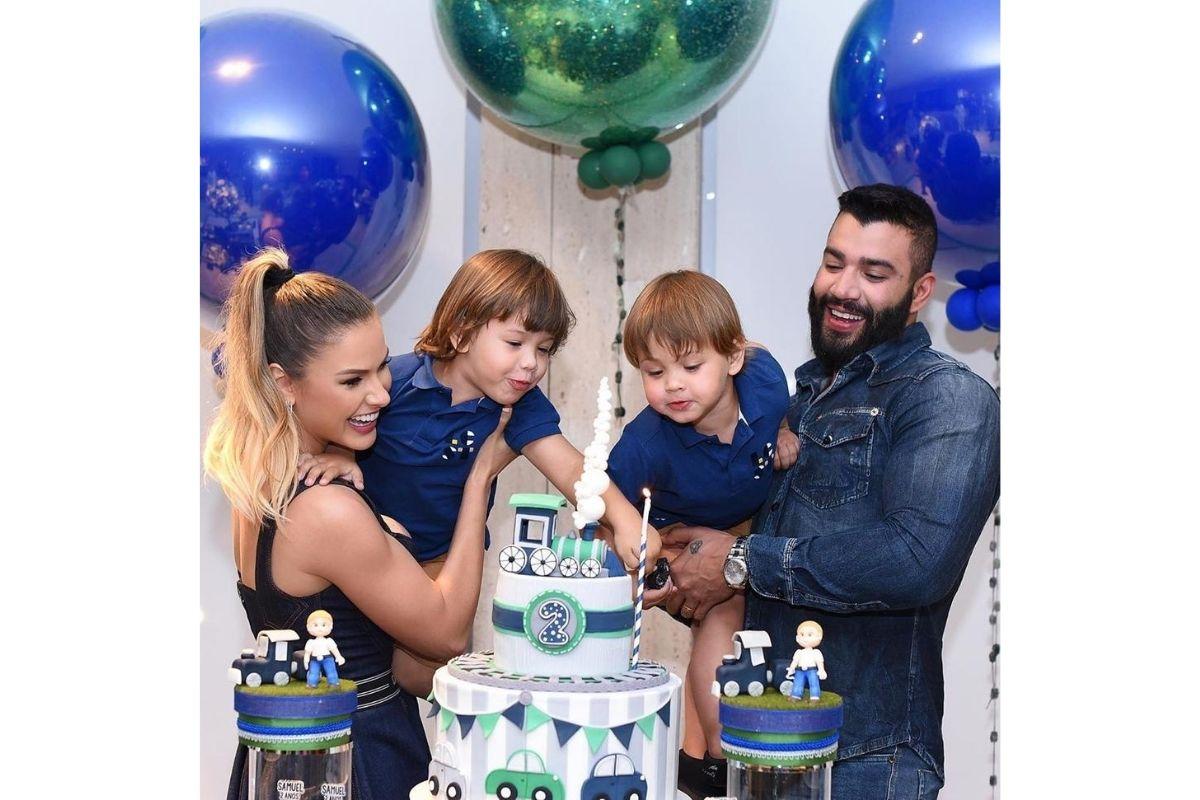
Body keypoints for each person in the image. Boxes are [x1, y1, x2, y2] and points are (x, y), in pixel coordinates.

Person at [658, 184, 1001, 799]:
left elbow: (916, 559)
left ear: (920, 292)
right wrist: (682, 566)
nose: (843, 288)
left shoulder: (948, 397)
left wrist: (740, 561)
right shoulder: (792, 404)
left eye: (874, 273)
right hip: (759, 750)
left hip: (864, 764)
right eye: (833, 262)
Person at [204, 248, 518, 799]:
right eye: (352, 380)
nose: (381, 393)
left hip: (286, 762)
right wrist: (479, 479)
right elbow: (446, 635)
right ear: (284, 383)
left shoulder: (261, 487)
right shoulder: (326, 511)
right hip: (356, 765)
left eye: (382, 367)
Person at [299, 249, 660, 696]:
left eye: (544, 349)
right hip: (371, 551)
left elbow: (571, 467)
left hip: (441, 561)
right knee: (347, 654)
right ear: (461, 331)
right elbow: (347, 417)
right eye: (515, 343)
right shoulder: (398, 380)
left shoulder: (521, 407)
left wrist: (625, 520)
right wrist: (343, 456)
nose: (531, 363)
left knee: (425, 677)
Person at [603, 270, 793, 798]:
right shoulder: (645, 443)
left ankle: (702, 756)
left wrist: (782, 430)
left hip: (747, 533)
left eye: (690, 366)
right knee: (723, 623)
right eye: (654, 371)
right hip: (680, 549)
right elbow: (603, 508)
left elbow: (762, 360)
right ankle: (720, 757)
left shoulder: (765, 381)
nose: (673, 385)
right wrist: (639, 563)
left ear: (732, 358)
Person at [786, 620, 827, 702]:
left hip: (812, 670)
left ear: (819, 637)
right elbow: (795, 662)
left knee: (814, 683)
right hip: (799, 670)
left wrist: (821, 670)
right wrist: (791, 669)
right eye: (802, 634)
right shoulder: (799, 652)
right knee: (797, 683)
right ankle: (796, 695)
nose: (805, 638)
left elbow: (819, 662)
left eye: (809, 635)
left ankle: (815, 697)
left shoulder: (816, 652)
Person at [302, 610, 345, 688]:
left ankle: (333, 683)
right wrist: (306, 661)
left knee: (331, 671)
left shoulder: (329, 641)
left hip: (327, 659)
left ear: (331, 626)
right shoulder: (310, 642)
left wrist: (339, 657)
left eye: (324, 625)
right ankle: (311, 684)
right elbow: (307, 653)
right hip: (314, 660)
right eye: (315, 625)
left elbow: (334, 650)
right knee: (313, 673)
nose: (320, 628)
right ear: (308, 627)